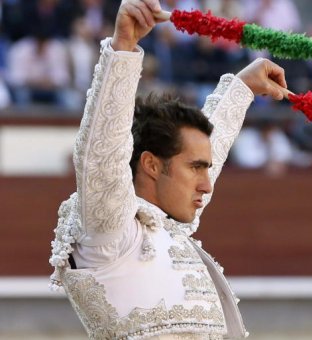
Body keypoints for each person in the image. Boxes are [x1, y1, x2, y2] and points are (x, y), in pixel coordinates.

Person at [48, 0, 287, 338]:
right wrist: (124, 48)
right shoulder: (112, 232)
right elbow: (102, 153)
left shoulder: (168, 229)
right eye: (195, 169)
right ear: (150, 165)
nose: (207, 185)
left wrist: (242, 88)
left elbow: (203, 152)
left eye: (206, 170)